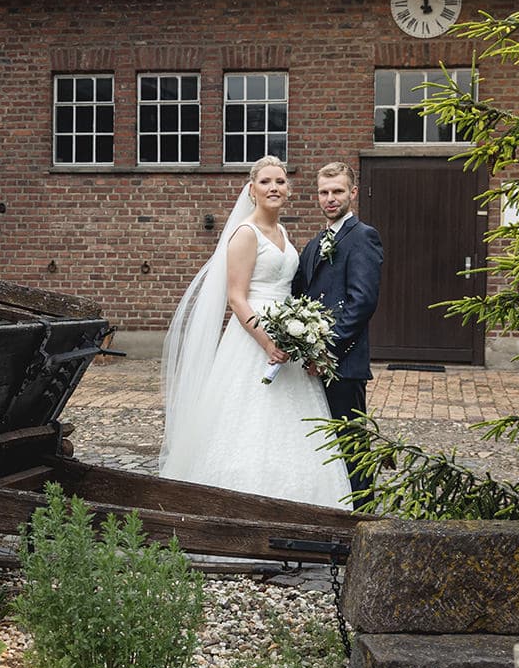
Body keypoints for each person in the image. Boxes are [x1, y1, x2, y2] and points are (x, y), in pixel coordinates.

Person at [160, 156, 353, 509]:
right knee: (247, 423)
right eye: (265, 182)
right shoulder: (245, 234)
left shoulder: (282, 233)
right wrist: (268, 341)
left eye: (280, 182)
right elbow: (236, 297)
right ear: (252, 190)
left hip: (287, 335)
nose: (273, 188)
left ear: (289, 190)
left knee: (292, 426)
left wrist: (298, 336)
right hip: (254, 340)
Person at [292, 162, 383, 505]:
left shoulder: (363, 236)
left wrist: (326, 352)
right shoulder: (316, 243)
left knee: (351, 445)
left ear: (353, 193)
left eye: (338, 192)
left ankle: (362, 515)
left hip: (343, 364)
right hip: (313, 362)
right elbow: (300, 294)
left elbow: (362, 302)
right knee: (321, 444)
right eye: (324, 192)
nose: (330, 199)